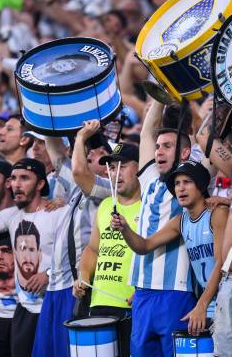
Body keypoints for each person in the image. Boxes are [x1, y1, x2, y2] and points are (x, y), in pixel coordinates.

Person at [0, 158, 65, 357]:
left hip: (52, 307)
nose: (16, 184)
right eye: (14, 178)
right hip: (24, 311)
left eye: (24, 178)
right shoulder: (12, 215)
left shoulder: (60, 212)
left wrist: (48, 274)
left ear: (41, 184)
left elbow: (78, 255)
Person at [113, 161, 227, 338]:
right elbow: (144, 246)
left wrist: (201, 305)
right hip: (208, 304)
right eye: (177, 183)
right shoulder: (180, 221)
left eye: (187, 182)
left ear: (201, 185)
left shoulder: (217, 213)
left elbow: (221, 263)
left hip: (225, 300)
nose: (180, 188)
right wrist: (125, 228)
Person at [33, 120, 112, 357]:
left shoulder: (109, 189)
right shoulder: (78, 187)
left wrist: (81, 137)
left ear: (112, 165)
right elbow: (56, 154)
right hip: (56, 286)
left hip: (76, 286)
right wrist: (46, 117)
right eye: (91, 149)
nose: (94, 152)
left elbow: (78, 171)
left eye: (102, 152)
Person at [127, 101, 196, 356]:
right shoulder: (148, 180)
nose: (159, 151)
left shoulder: (192, 182)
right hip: (143, 292)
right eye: (158, 147)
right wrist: (159, 95)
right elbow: (146, 133)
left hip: (176, 292)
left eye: (167, 146)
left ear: (185, 152)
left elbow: (208, 142)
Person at [73, 143, 142, 357]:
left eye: (123, 166)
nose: (116, 173)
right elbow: (93, 249)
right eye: (112, 168)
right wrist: (83, 275)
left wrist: (143, 291)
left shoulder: (149, 207)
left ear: (140, 168)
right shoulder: (105, 206)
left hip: (132, 306)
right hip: (99, 303)